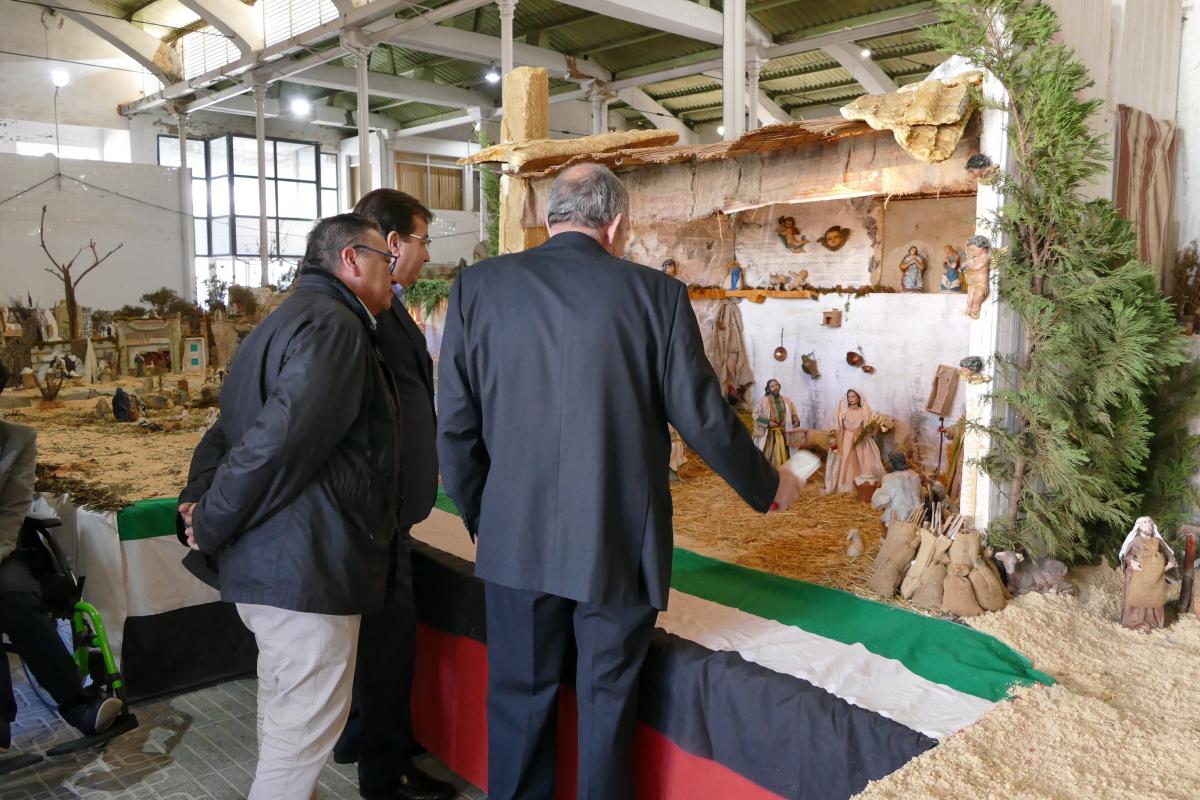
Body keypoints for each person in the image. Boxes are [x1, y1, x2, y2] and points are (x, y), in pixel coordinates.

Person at [437, 163, 803, 800]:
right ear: (614, 225)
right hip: (616, 543)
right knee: (608, 706)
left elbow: (456, 426)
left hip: (514, 541)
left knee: (519, 702)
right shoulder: (655, 296)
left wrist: (486, 515)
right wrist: (768, 486)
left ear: (551, 216)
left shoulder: (478, 289)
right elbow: (705, 418)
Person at [178, 214, 403, 800]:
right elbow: (273, 446)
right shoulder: (335, 328)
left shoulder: (283, 321)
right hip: (306, 569)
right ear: (352, 260)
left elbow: (223, 435)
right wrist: (207, 519)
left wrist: (200, 504)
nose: (395, 273)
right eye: (387, 258)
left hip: (276, 567)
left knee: (287, 724)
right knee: (299, 739)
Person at [330, 189, 455, 800]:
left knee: (371, 636)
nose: (428, 256)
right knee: (387, 643)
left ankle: (357, 734)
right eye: (424, 240)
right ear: (394, 243)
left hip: (382, 508)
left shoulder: (381, 308)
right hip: (381, 513)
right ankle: (387, 772)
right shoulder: (370, 313)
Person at [1, 363, 121, 752]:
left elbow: (11, 513)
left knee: (16, 597)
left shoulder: (17, 440)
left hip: (2, 550)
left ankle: (77, 703)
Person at [1119, 516, 1177, 632]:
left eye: (1150, 524)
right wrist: (1132, 562)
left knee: (1154, 598)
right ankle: (1135, 621)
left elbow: (1168, 554)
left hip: (1154, 577)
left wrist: (1170, 563)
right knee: (1137, 597)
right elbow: (1126, 556)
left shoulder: (1158, 541)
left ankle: (1153, 621)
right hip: (1138, 575)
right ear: (1139, 526)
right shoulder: (1135, 541)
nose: (1148, 526)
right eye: (1145, 523)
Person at [824, 388, 886, 495]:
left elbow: (870, 425)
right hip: (846, 439)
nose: (851, 399)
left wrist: (869, 430)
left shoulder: (864, 411)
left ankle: (863, 487)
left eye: (853, 396)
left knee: (863, 460)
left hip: (860, 439)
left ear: (858, 398)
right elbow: (837, 424)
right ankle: (844, 485)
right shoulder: (844, 411)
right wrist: (833, 435)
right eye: (849, 397)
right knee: (846, 459)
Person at [752, 379, 801, 467]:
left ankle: (783, 475)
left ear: (779, 386)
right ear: (768, 389)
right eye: (772, 386)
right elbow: (755, 414)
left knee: (786, 455)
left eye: (776, 385)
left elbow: (793, 413)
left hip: (783, 433)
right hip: (769, 435)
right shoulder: (763, 401)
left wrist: (795, 420)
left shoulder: (787, 400)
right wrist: (767, 422)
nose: (775, 388)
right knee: (767, 457)